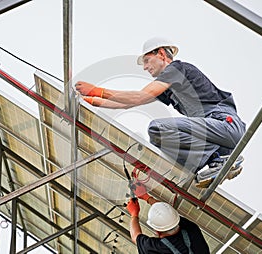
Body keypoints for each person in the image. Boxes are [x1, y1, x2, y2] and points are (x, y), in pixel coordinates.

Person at [75, 36, 246, 188]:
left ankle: (218, 155)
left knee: (157, 128)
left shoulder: (177, 69)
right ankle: (217, 160)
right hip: (215, 131)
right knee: (159, 137)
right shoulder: (169, 86)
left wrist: (97, 90)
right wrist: (88, 100)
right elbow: (125, 104)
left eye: (147, 60)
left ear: (162, 54)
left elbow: (139, 97)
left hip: (224, 124)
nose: (145, 67)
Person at [126, 183, 210, 253]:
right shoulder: (191, 229)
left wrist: (134, 213)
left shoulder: (157, 248)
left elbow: (135, 237)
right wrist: (146, 197)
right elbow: (167, 213)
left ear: (157, 231)